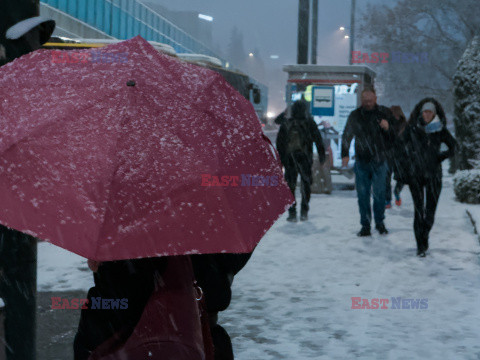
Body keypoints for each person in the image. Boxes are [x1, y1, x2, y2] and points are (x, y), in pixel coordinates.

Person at [400, 98, 456, 257]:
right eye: (425, 111)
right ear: (421, 112)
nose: (427, 114)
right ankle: (420, 246)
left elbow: (454, 146)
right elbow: (400, 146)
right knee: (419, 211)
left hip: (434, 174)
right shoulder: (412, 128)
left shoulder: (440, 129)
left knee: (430, 212)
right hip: (416, 174)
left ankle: (424, 235)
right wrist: (409, 159)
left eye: (430, 112)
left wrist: (440, 156)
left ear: (434, 114)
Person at [342, 88, 396, 236]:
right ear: (361, 100)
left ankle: (379, 222)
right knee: (363, 195)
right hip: (362, 161)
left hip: (380, 160)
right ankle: (365, 225)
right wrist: (345, 154)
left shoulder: (384, 113)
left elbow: (395, 136)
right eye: (365, 100)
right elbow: (347, 135)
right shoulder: (356, 115)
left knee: (379, 194)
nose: (368, 103)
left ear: (376, 99)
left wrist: (388, 127)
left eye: (370, 100)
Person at [276, 100, 326, 222]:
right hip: (305, 158)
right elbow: (319, 140)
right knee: (306, 184)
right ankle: (304, 210)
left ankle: (292, 212)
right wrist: (321, 156)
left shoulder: (287, 123)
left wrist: (281, 159)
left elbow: (279, 143)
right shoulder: (310, 123)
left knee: (290, 186)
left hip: (290, 159)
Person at [386, 105, 408, 207]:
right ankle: (388, 200)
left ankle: (396, 192)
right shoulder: (387, 124)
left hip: (400, 155)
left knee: (401, 177)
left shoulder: (405, 125)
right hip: (389, 154)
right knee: (386, 178)